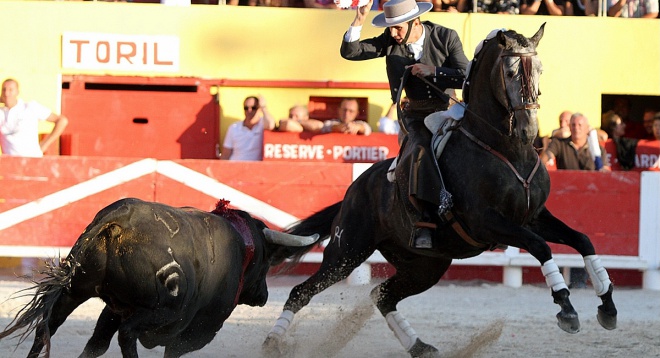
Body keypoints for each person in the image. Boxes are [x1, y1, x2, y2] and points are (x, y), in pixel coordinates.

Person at [340, 0, 469, 248]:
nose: (393, 34)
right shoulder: (390, 41)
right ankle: (424, 221)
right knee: (421, 149)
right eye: (391, 28)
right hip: (414, 116)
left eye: (398, 28)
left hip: (447, 111)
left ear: (416, 22)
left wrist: (434, 71)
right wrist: (359, 19)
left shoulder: (445, 36)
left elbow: (465, 74)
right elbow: (351, 52)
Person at [541, 113, 610, 288]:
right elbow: (545, 158)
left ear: (587, 128)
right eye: (573, 124)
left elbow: (606, 170)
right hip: (566, 201)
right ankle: (570, 277)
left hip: (592, 203)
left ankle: (583, 278)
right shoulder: (559, 143)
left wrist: (604, 173)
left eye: (580, 125)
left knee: (586, 237)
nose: (576, 127)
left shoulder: (597, 148)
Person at [0, 78, 69, 158]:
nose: (6, 93)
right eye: (4, 90)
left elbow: (62, 121)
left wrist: (44, 145)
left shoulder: (30, 107)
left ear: (17, 92)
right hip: (10, 164)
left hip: (32, 160)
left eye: (10, 90)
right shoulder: (1, 112)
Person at [220, 95, 275, 161]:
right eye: (246, 108)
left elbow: (271, 125)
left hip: (255, 169)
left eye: (253, 108)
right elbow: (226, 154)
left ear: (259, 109)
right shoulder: (234, 127)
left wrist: (264, 107)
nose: (249, 110)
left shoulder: (262, 125)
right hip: (235, 167)